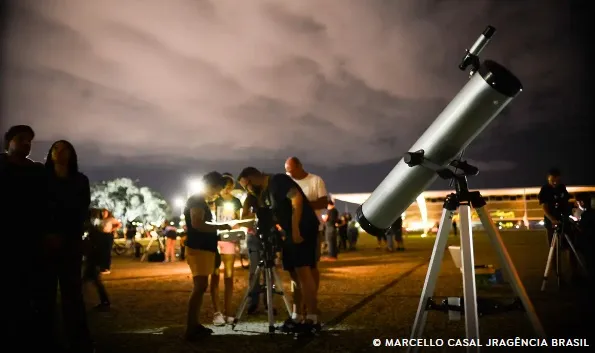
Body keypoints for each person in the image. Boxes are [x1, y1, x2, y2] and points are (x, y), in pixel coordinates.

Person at [238, 167, 321, 334]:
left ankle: (312, 318)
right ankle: (297, 316)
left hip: (302, 228)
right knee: (294, 275)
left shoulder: (278, 181)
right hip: (290, 232)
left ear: (251, 178)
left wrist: (296, 228)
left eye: (245, 185)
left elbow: (296, 199)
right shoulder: (267, 192)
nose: (246, 189)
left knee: (303, 272)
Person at [40, 140, 94, 352]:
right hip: (45, 242)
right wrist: (46, 233)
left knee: (73, 294)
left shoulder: (80, 180)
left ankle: (79, 341)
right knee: (45, 293)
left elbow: (81, 210)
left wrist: (72, 235)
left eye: (65, 149)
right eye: (56, 149)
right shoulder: (41, 178)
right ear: (50, 153)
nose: (60, 153)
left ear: (72, 154)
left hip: (70, 242)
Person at [0, 125, 46, 349]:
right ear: (8, 141)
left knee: (28, 291)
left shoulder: (36, 171)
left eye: (29, 141)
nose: (26, 144)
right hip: (6, 239)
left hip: (30, 240)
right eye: (21, 139)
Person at [183, 172, 231, 341]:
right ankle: (191, 327)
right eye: (218, 189)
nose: (218, 193)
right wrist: (220, 227)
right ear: (211, 185)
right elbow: (197, 224)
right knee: (199, 287)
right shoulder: (196, 200)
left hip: (203, 248)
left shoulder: (199, 200)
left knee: (201, 287)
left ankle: (194, 325)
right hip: (199, 249)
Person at [285, 157, 328, 320]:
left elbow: (323, 202)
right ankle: (301, 303)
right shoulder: (288, 183)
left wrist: (300, 205)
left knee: (311, 266)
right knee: (296, 268)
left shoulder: (315, 180)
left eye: (290, 169)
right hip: (293, 229)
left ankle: (311, 302)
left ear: (300, 166)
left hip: (312, 229)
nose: (288, 173)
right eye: (286, 170)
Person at [210, 173, 242, 325]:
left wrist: (237, 228)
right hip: (215, 238)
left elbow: (238, 219)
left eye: (230, 187)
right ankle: (217, 312)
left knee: (229, 276)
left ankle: (229, 312)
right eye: (225, 187)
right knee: (215, 275)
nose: (227, 190)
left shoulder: (236, 201)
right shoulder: (215, 200)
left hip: (229, 238)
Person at [538, 168, 578, 281]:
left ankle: (574, 273)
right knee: (553, 248)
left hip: (563, 221)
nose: (555, 183)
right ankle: (558, 274)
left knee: (570, 247)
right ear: (549, 178)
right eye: (552, 180)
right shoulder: (545, 190)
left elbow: (566, 202)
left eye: (557, 180)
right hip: (551, 223)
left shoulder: (562, 188)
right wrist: (552, 219)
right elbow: (544, 208)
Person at [98, 209, 121, 274]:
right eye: (102, 213)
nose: (103, 214)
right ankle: (102, 267)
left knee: (107, 251)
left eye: (105, 213)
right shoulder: (101, 220)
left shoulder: (111, 219)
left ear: (108, 213)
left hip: (108, 235)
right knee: (102, 251)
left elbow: (119, 224)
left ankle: (107, 268)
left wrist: (112, 229)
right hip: (102, 235)